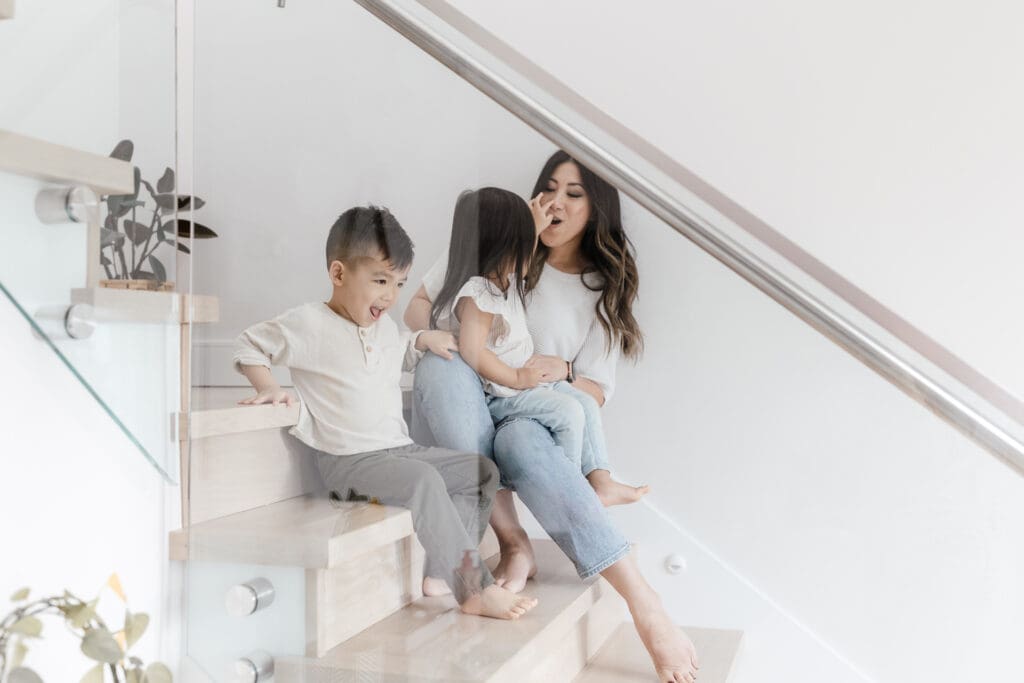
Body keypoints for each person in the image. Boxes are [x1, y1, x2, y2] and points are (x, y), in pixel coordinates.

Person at [405, 152, 699, 682]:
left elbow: (590, 392)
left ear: (595, 210)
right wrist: (444, 336)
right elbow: (426, 301)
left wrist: (558, 370)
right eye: (549, 187)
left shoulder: (601, 289)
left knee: (522, 442)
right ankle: (508, 544)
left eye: (574, 192)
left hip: (529, 417)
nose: (557, 201)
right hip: (466, 397)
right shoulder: (499, 244)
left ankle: (643, 603)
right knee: (443, 368)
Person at [233, 205, 538, 620]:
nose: (390, 296)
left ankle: (440, 572)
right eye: (380, 281)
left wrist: (426, 338)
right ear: (339, 274)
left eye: (399, 283)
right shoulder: (308, 323)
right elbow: (250, 345)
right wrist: (269, 387)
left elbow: (404, 350)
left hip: (398, 450)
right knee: (426, 481)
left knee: (481, 472)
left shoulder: (384, 328)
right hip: (349, 462)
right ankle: (473, 589)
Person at [428, 186, 646, 502]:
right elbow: (472, 350)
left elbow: (525, 260)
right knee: (570, 412)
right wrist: (517, 378)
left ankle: (601, 480)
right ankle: (570, 491)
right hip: (503, 392)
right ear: (500, 245)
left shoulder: (504, 281)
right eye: (521, 239)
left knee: (583, 404)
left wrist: (534, 227)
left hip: (525, 383)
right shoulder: (479, 294)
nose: (529, 251)